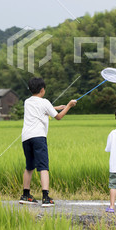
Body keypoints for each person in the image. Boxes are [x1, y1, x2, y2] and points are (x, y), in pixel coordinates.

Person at [19, 77, 77, 207]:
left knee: (29, 166)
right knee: (43, 167)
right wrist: (68, 106)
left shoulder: (27, 102)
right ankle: (45, 197)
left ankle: (25, 195)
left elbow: (40, 110)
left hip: (26, 138)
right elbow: (59, 117)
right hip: (39, 137)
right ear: (42, 89)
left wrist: (55, 107)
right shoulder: (45, 102)